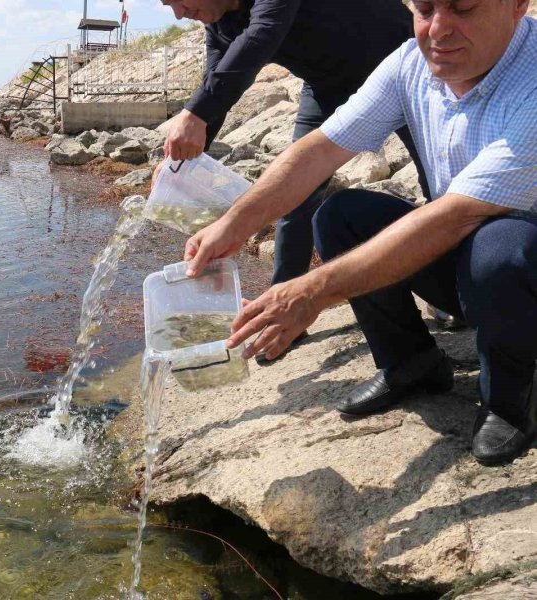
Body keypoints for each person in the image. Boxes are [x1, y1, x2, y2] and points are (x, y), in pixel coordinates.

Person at [184, 0, 537, 465]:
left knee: (500, 249)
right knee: (339, 215)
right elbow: (319, 150)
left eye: (463, 8)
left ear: (517, 7)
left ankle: (511, 402)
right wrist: (234, 223)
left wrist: (311, 292)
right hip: (470, 257)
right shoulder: (410, 62)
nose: (438, 29)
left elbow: (457, 215)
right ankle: (410, 363)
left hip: (517, 263)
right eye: (426, 8)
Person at [157, 1, 431, 359]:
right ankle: (284, 317)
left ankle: (456, 288)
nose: (178, 13)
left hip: (397, 63)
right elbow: (216, 80)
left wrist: (194, 113)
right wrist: (178, 160)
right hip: (328, 84)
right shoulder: (218, 21)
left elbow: (263, 35)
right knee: (297, 197)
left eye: (178, 0)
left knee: (436, 179)